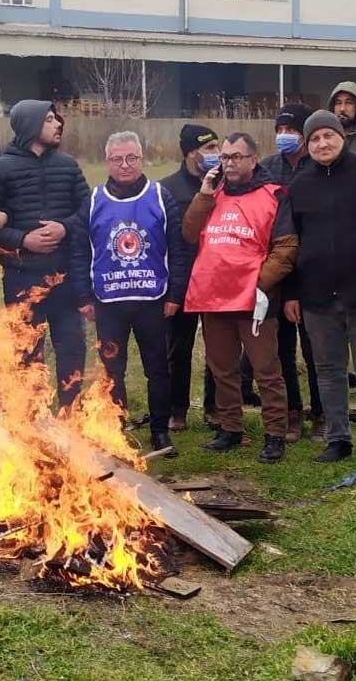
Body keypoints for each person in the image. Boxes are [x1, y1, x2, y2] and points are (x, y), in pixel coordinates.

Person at [283, 110, 356, 467]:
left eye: (328, 136)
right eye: (314, 138)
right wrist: (292, 293)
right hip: (316, 298)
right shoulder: (299, 184)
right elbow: (291, 242)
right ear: (306, 144)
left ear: (342, 137)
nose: (322, 143)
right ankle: (338, 438)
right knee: (327, 370)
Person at [69, 131, 187, 455]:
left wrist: (175, 294)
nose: (125, 165)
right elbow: (79, 252)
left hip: (153, 301)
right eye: (118, 159)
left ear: (142, 158)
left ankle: (161, 432)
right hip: (109, 304)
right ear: (107, 162)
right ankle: (115, 430)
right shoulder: (92, 202)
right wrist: (82, 297)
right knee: (111, 371)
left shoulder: (161, 197)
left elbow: (177, 248)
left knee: (158, 370)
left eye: (132, 158)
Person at [182, 132, 297, 462]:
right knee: (222, 368)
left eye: (236, 157)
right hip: (213, 297)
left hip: (255, 300)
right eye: (225, 157)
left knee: (266, 370)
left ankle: (275, 433)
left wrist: (257, 284)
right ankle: (230, 427)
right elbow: (189, 233)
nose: (229, 163)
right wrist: (203, 196)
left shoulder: (274, 195)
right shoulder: (211, 195)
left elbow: (286, 248)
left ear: (253, 160)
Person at [0, 100, 89, 408]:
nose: (58, 125)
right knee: (26, 351)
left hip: (64, 277)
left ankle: (71, 412)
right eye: (50, 119)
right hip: (21, 277)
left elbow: (88, 210)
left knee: (72, 347)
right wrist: (23, 239)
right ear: (30, 124)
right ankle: (32, 417)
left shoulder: (68, 165)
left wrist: (65, 228)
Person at [259, 103, 322, 442]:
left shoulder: (318, 166)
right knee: (281, 348)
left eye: (292, 130)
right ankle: (292, 412)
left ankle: (322, 413)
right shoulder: (268, 169)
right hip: (279, 270)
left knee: (316, 349)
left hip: (312, 269)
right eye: (280, 130)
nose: (284, 136)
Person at [161, 123, 221, 429]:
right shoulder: (167, 189)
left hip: (216, 279)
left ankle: (214, 408)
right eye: (209, 149)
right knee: (178, 348)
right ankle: (177, 410)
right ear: (190, 153)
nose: (217, 154)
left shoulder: (225, 185)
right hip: (181, 279)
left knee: (218, 348)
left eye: (217, 147)